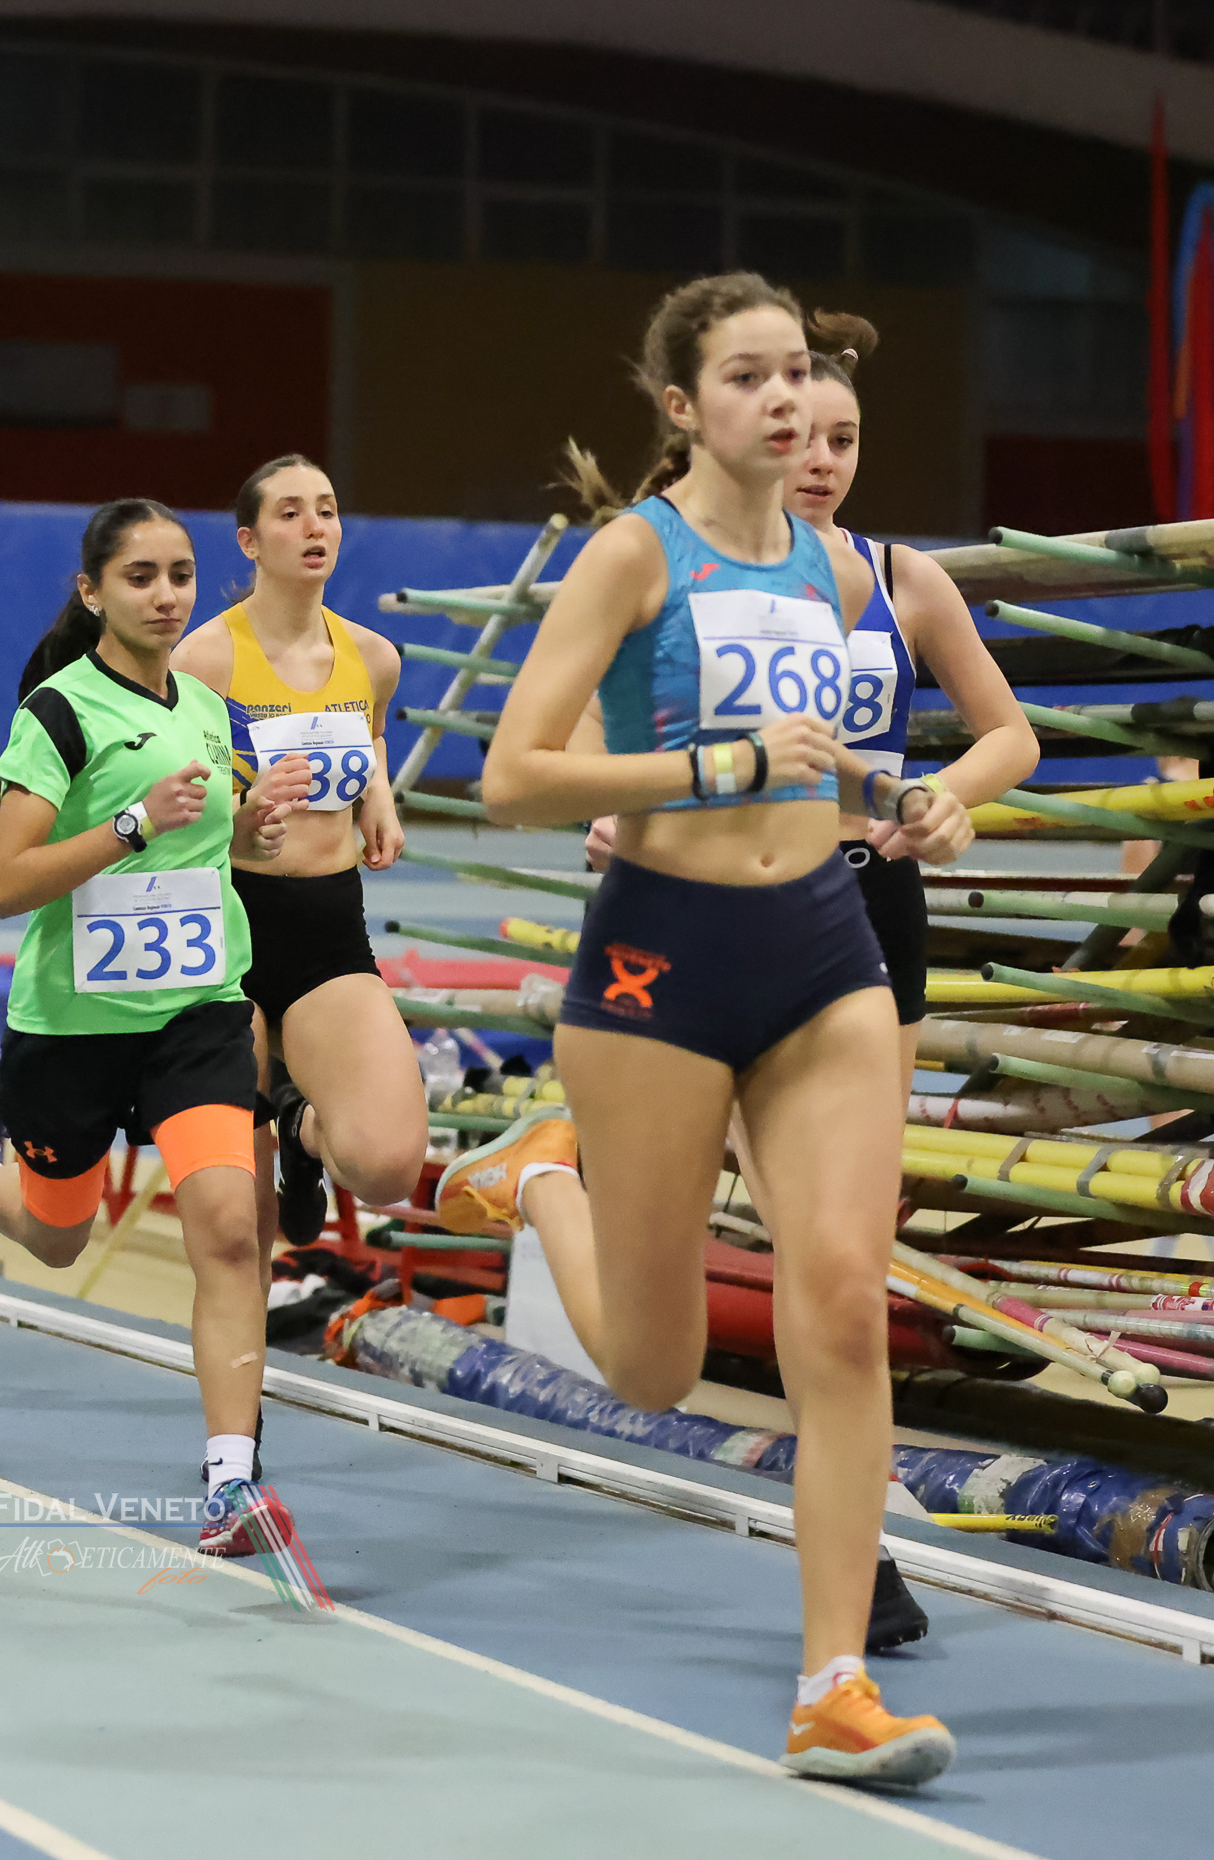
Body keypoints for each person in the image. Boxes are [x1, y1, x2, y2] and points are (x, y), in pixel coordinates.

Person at [485, 315, 1038, 1656]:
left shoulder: (839, 572)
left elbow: (822, 746)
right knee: (653, 1368)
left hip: (832, 939)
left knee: (841, 1288)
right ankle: (541, 1182)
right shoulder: (635, 554)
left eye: (805, 381)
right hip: (669, 948)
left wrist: (913, 793)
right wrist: (695, 776)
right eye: (754, 378)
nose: (792, 410)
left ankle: (838, 1671)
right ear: (682, 403)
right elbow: (516, 775)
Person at [0, 500, 318, 1563]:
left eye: (180, 575)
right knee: (59, 1236)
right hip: (73, 1027)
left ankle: (230, 1482)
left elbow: (220, 849)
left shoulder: (211, 708)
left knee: (231, 1231)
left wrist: (253, 827)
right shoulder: (57, 712)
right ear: (92, 590)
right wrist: (132, 823)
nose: (165, 595)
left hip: (198, 1012)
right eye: (140, 576)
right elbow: (7, 883)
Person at [175, 456, 425, 1248]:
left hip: (326, 928)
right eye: (290, 513)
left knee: (387, 1166)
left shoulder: (373, 658)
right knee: (237, 1227)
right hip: (226, 930)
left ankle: (300, 1127)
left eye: (326, 509)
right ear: (249, 541)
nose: (315, 526)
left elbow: (368, 736)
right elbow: (173, 813)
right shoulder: (203, 663)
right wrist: (238, 819)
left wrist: (377, 793)